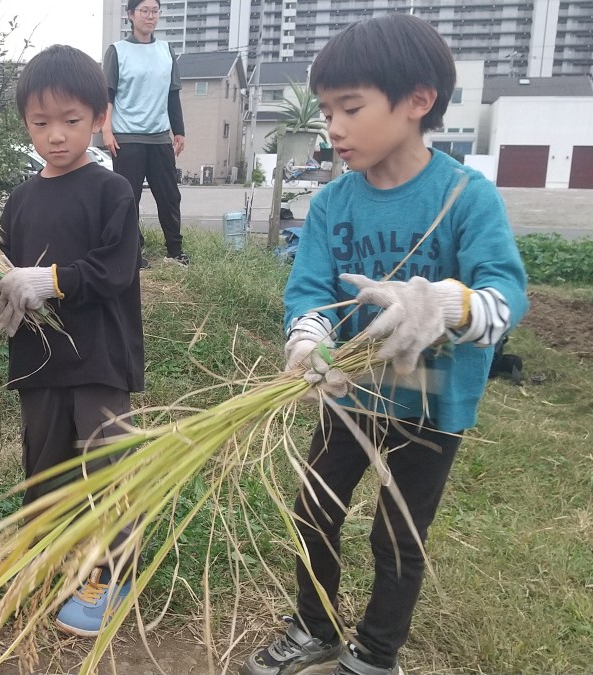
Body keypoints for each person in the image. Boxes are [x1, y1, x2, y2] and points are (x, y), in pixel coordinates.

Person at [239, 14, 528, 675]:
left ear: (417, 102)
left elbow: (506, 296)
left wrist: (450, 305)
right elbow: (309, 288)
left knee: (396, 534)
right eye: (326, 111)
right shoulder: (335, 203)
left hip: (431, 407)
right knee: (313, 509)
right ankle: (314, 627)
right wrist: (309, 339)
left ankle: (374, 653)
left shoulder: (464, 197)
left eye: (351, 108)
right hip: (351, 393)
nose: (334, 127)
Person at [0, 44, 144, 638]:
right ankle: (55, 560)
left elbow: (115, 271)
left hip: (100, 360)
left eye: (71, 120)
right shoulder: (24, 197)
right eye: (40, 123)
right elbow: (10, 270)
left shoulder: (113, 193)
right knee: (45, 468)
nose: (55, 136)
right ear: (25, 123)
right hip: (38, 359)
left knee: (105, 465)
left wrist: (52, 279)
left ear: (99, 118)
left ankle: (115, 574)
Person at [102, 0, 189, 267]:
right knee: (129, 199)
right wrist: (107, 129)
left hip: (160, 136)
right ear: (131, 15)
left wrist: (179, 131)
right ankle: (133, 254)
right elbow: (108, 95)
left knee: (169, 195)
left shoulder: (166, 50)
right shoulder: (117, 51)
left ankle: (174, 252)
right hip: (127, 137)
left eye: (155, 11)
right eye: (144, 11)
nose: (150, 16)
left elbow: (172, 94)